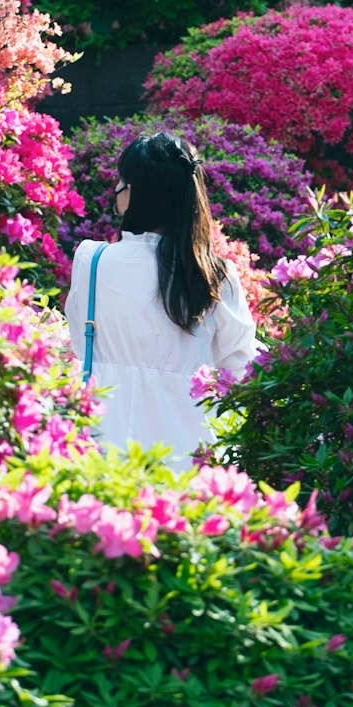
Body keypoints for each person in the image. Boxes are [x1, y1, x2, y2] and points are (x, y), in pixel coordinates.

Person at [64, 131, 260, 467]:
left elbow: (82, 345)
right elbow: (241, 366)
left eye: (121, 182)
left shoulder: (92, 261)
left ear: (138, 193)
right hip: (190, 442)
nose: (116, 191)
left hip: (104, 432)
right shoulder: (214, 274)